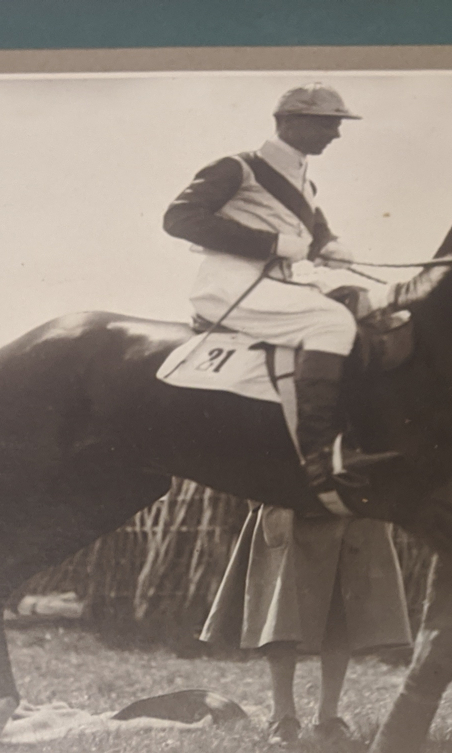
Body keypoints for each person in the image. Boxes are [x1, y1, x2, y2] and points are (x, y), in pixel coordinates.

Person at [163, 84, 363, 502]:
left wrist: (329, 245)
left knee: (363, 305)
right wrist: (267, 243)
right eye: (328, 123)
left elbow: (313, 231)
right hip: (231, 284)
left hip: (279, 284)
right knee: (331, 323)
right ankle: (317, 454)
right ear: (289, 122)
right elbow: (178, 219)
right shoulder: (237, 167)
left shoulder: (306, 183)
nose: (337, 134)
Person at [197, 482, 412, 747]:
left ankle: (328, 717)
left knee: (339, 614)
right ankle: (282, 716)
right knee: (281, 615)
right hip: (289, 509)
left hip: (349, 508)